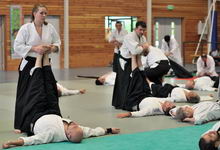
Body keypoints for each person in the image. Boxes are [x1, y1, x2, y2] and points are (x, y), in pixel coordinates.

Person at [2, 54, 120, 149]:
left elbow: (33, 140)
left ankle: (39, 56)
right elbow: (94, 131)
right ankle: (46, 56)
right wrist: (109, 130)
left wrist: (12, 143)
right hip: (53, 111)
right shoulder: (78, 131)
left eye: (73, 127)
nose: (75, 124)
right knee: (50, 85)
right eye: (77, 126)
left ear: (68, 136)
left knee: (37, 85)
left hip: (36, 113)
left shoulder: (52, 134)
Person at [13, 4, 61, 132]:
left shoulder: (49, 28)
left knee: (47, 90)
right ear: (34, 13)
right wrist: (35, 48)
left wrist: (52, 48)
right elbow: (17, 46)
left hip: (45, 62)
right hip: (29, 63)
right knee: (26, 93)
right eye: (41, 13)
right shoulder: (26, 28)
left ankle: (46, 119)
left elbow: (57, 42)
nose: (44, 15)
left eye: (46, 13)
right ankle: (21, 124)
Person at [112, 21, 149, 109]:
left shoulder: (143, 38)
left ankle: (132, 102)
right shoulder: (129, 37)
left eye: (143, 30)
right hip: (124, 61)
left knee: (135, 81)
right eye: (140, 30)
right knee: (125, 82)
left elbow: (145, 53)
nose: (142, 32)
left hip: (134, 61)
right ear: (135, 29)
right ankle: (121, 103)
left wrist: (144, 49)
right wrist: (144, 47)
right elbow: (135, 51)